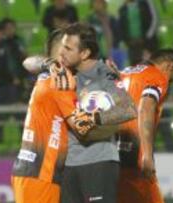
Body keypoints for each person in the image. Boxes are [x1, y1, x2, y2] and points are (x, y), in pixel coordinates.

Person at [12, 29, 99, 203]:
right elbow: (83, 128)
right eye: (65, 48)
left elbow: (28, 62)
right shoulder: (60, 81)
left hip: (38, 171)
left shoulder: (49, 76)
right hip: (41, 172)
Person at [57, 23, 136, 203]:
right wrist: (47, 63)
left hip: (98, 162)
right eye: (62, 45)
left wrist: (94, 118)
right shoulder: (62, 71)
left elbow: (129, 109)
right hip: (68, 164)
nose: (61, 52)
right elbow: (29, 63)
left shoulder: (104, 74)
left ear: (84, 53)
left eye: (68, 48)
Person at [117, 49, 173, 203]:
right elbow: (146, 107)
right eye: (171, 80)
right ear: (169, 66)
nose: (169, 84)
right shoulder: (157, 76)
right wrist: (146, 153)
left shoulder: (124, 73)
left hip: (113, 151)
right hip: (135, 154)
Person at [118, 0, 159, 65]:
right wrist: (127, 41)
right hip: (132, 46)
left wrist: (147, 38)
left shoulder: (146, 3)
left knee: (150, 66)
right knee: (136, 69)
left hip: (148, 44)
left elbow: (154, 19)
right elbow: (121, 28)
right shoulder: (122, 9)